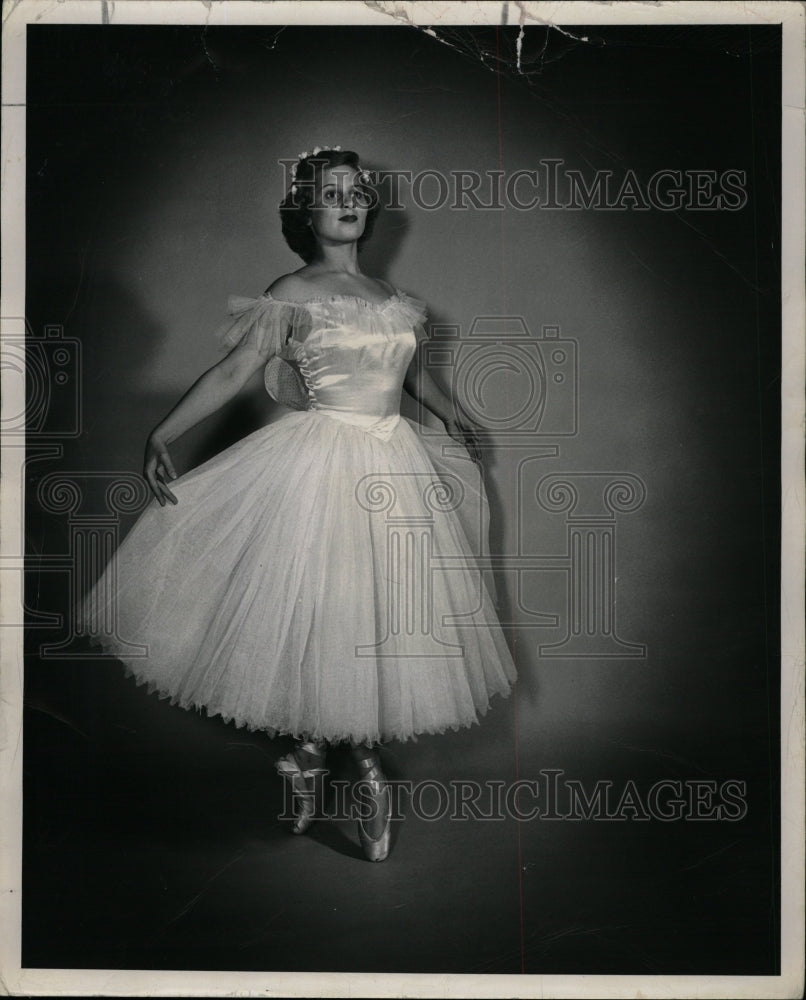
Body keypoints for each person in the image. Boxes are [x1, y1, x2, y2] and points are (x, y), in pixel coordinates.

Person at [80, 146, 517, 862]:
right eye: (331, 192)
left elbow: (409, 376)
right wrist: (164, 431)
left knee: (376, 615)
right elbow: (234, 371)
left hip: (394, 464)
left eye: (357, 191)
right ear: (307, 212)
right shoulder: (292, 290)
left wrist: (456, 413)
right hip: (319, 466)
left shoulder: (393, 298)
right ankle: (315, 755)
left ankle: (361, 766)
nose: (348, 200)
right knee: (318, 610)